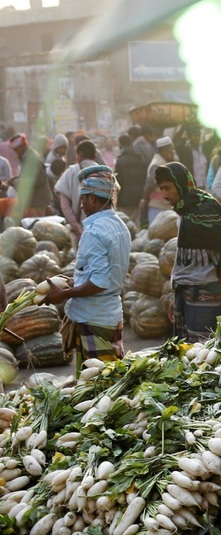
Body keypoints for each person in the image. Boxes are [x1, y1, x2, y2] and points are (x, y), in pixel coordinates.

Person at [43, 166, 131, 376]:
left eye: (83, 198)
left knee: (96, 386)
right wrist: (75, 281)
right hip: (109, 315)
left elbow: (99, 282)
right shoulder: (120, 226)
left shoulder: (94, 231)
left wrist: (63, 294)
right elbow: (104, 273)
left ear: (93, 198)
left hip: (94, 319)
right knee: (104, 380)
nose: (80, 204)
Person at [155, 162, 221, 342]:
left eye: (168, 188)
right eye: (161, 189)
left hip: (204, 291)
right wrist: (175, 297)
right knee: (185, 348)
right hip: (183, 289)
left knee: (202, 351)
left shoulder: (205, 207)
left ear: (180, 184)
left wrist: (217, 281)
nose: (164, 195)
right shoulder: (183, 210)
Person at [55, 138, 100, 245]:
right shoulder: (104, 173)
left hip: (80, 230)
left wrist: (76, 226)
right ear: (95, 156)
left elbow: (64, 205)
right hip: (101, 230)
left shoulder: (71, 172)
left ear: (80, 154)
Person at [10, 133, 54, 217]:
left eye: (16, 149)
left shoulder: (32, 158)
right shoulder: (26, 157)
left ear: (22, 146)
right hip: (33, 202)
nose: (15, 152)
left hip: (37, 203)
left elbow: (38, 179)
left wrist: (16, 181)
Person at [140, 136, 178, 224]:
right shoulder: (157, 165)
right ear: (164, 150)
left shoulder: (165, 163)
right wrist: (145, 200)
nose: (173, 152)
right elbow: (149, 185)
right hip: (158, 209)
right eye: (171, 149)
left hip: (166, 208)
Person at [114, 134, 148, 222]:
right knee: (136, 226)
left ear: (121, 145)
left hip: (124, 201)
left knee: (125, 225)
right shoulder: (140, 159)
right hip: (138, 199)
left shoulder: (120, 161)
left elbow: (118, 183)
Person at [174, 124, 209, 190]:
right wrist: (183, 130)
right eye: (195, 136)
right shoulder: (185, 150)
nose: (197, 138)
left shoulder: (204, 148)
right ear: (190, 137)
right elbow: (175, 144)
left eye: (199, 136)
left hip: (205, 186)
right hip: (192, 187)